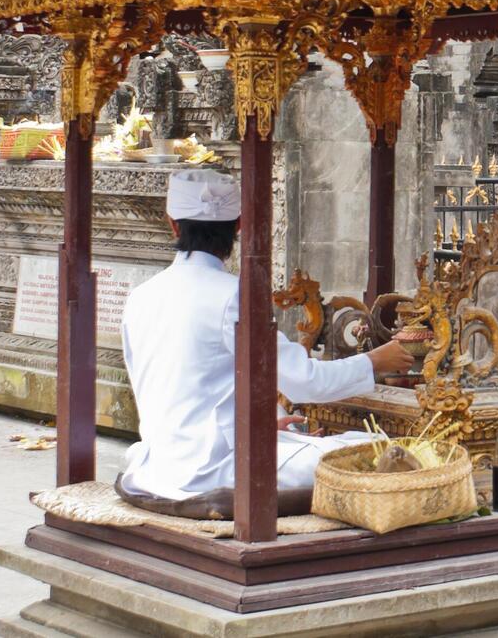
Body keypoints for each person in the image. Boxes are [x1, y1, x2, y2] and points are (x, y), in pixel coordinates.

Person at [116, 170, 413, 518]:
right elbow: (305, 383)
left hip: (158, 465)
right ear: (239, 225)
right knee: (385, 450)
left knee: (322, 444)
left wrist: (262, 424)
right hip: (211, 473)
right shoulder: (233, 296)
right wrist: (375, 361)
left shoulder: (139, 297)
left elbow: (178, 393)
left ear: (173, 224)